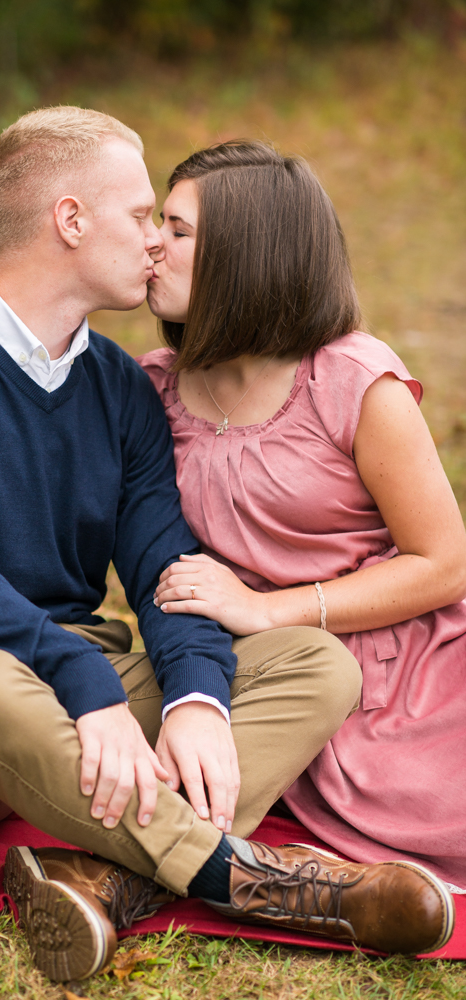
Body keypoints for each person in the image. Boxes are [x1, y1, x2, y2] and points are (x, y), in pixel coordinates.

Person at [0, 110, 453, 984]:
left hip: (79, 675)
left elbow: (164, 563)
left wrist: (195, 695)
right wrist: (81, 684)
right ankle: (250, 877)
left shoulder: (120, 387)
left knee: (311, 663)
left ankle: (109, 882)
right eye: (143, 215)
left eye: (168, 222)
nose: (155, 241)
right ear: (71, 221)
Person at [142, 138, 466, 899]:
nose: (153, 242)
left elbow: (444, 562)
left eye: (178, 229)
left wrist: (264, 609)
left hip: (407, 673)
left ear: (246, 254)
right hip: (264, 677)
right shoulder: (148, 392)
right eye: (158, 221)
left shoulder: (348, 379)